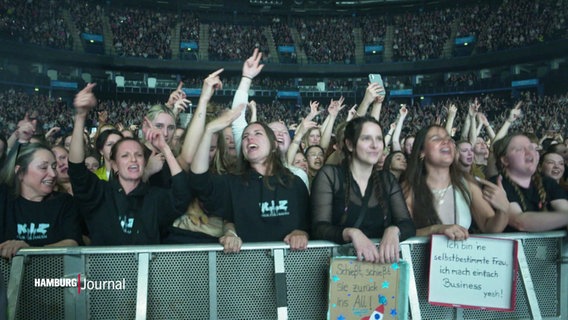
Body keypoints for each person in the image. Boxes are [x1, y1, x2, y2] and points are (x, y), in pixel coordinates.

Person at [68, 83, 191, 245]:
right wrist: (80, 117)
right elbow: (77, 170)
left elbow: (182, 196)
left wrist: (165, 148)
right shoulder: (100, 195)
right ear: (114, 164)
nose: (133, 159)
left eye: (139, 155)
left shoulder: (153, 198)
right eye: (125, 155)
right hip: (105, 270)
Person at [190, 108, 310, 253]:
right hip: (247, 268)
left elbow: (309, 223)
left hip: (292, 267)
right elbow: (199, 181)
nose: (249, 139)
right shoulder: (232, 183)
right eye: (245, 136)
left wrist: (301, 232)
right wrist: (209, 130)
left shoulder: (295, 183)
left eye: (258, 134)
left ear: (273, 146)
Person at [311, 116, 416, 263]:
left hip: (381, 271)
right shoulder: (330, 176)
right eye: (366, 138)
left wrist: (394, 230)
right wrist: (351, 233)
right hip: (340, 272)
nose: (375, 145)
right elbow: (318, 228)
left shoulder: (387, 180)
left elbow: (407, 224)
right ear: (350, 144)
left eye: (379, 139)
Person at [402, 125, 510, 240]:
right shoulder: (409, 189)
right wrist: (436, 229)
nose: (446, 142)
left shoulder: (467, 182)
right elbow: (401, 232)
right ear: (421, 152)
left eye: (449, 139)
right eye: (436, 139)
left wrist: (503, 210)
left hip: (462, 257)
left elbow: (490, 227)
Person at [0, 143, 81, 259]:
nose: (53, 174)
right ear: (20, 172)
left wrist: (28, 249)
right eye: (43, 168)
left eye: (54, 167)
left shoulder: (64, 202)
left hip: (53, 274)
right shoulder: (4, 200)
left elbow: (72, 242)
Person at [492, 133, 568, 231]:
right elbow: (520, 222)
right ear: (505, 160)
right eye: (520, 149)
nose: (530, 153)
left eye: (531, 149)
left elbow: (564, 208)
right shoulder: (498, 183)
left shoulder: (547, 182)